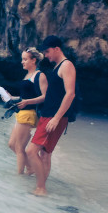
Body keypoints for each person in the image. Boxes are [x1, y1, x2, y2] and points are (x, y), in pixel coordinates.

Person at [27, 35, 76, 196]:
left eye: (48, 52)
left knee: (31, 151)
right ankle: (40, 187)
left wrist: (56, 118)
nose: (46, 56)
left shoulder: (66, 65)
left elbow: (70, 94)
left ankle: (41, 188)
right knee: (45, 153)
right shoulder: (58, 67)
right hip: (48, 115)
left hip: (54, 117)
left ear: (57, 49)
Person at [6, 48, 47, 174]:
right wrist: (11, 97)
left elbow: (45, 96)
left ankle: (19, 176)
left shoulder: (40, 75)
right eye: (22, 59)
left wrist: (27, 102)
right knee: (12, 144)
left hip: (29, 114)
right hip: (21, 113)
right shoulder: (28, 75)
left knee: (19, 147)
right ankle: (30, 167)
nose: (22, 62)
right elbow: (25, 96)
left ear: (33, 60)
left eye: (25, 59)